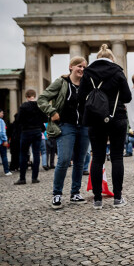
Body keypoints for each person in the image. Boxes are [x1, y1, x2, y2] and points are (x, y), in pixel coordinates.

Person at [79, 44, 131, 209]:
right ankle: (118, 198)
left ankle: (97, 200)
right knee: (116, 157)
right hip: (117, 117)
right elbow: (127, 97)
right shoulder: (118, 72)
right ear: (112, 58)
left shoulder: (88, 73)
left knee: (97, 158)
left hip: (95, 119)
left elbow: (80, 97)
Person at [38, 56, 90, 209]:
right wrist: (52, 112)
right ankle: (57, 194)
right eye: (79, 66)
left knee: (80, 162)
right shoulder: (61, 83)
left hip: (84, 127)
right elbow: (42, 99)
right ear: (71, 67)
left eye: (84, 67)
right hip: (66, 126)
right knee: (64, 160)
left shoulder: (86, 85)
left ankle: (75, 193)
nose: (81, 69)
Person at [15, 90, 48, 184]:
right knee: (36, 154)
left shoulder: (23, 106)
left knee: (23, 154)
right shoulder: (39, 106)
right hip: (37, 131)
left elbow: (18, 119)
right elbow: (45, 118)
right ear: (34, 95)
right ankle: (34, 178)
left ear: (26, 96)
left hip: (26, 132)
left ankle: (22, 178)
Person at [0, 109, 12, 176]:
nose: (3, 114)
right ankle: (6, 171)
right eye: (1, 113)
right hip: (1, 142)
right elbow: (2, 132)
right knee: (4, 156)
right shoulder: (1, 121)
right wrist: (5, 140)